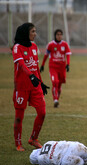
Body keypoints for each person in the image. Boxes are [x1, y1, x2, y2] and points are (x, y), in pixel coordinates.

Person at [12, 22, 49, 152]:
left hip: (35, 85)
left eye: (35, 31)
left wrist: (41, 82)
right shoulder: (17, 47)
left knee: (42, 112)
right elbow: (22, 65)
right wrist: (31, 76)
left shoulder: (34, 46)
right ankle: (18, 143)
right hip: (22, 87)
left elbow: (36, 67)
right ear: (25, 33)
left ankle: (33, 138)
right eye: (33, 31)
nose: (35, 34)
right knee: (19, 116)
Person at [40, 29, 71, 108]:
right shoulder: (50, 45)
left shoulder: (65, 44)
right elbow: (46, 55)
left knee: (59, 85)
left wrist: (68, 64)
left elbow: (67, 54)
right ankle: (55, 100)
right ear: (55, 35)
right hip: (53, 67)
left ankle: (57, 99)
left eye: (60, 34)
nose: (59, 36)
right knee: (55, 82)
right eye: (58, 34)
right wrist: (42, 65)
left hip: (61, 68)